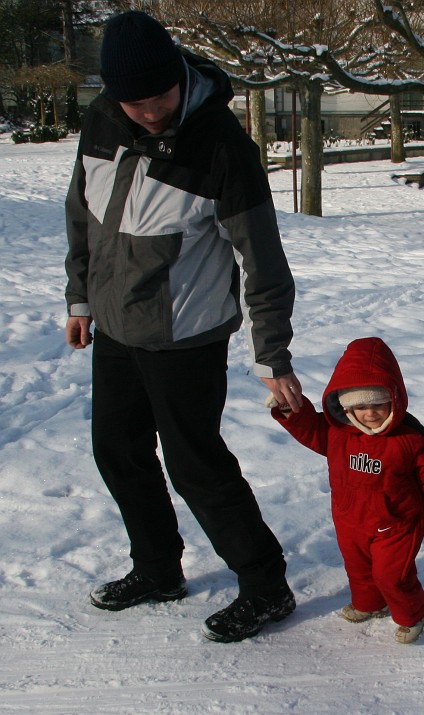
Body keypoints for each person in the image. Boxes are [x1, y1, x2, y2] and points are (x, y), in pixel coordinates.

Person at [64, 10, 304, 643]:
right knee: (117, 450)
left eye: (158, 96)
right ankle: (158, 569)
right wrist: (80, 299)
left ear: (179, 76)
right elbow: (83, 216)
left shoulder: (220, 146)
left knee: (195, 462)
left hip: (185, 335)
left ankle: (265, 585)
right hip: (116, 325)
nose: (146, 111)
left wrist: (272, 356)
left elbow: (263, 259)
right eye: (131, 100)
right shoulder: (102, 121)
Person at [269, 337, 424, 644]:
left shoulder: (410, 440)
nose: (369, 413)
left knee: (391, 575)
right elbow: (311, 430)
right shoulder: (338, 433)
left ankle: (415, 613)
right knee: (358, 569)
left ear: (394, 400)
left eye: (378, 404)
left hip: (397, 523)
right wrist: (290, 409)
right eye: (360, 406)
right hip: (350, 520)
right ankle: (371, 605)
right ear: (345, 405)